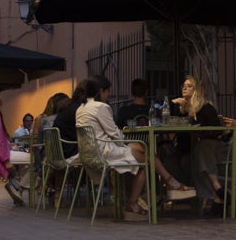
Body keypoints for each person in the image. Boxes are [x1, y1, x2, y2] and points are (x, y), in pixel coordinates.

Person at [76, 77, 194, 220]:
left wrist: (127, 142)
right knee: (145, 160)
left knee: (142, 150)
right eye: (108, 92)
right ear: (101, 91)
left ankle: (169, 185)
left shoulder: (80, 109)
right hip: (105, 151)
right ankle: (163, 187)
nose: (108, 96)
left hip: (91, 152)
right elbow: (114, 133)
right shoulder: (101, 107)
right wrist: (126, 142)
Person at [171, 75, 224, 215]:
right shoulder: (181, 108)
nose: (184, 88)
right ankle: (191, 191)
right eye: (183, 85)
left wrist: (199, 133)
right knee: (169, 161)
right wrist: (173, 104)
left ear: (196, 90)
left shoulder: (205, 108)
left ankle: (210, 195)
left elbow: (217, 130)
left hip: (204, 149)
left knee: (190, 162)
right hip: (186, 148)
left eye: (189, 86)